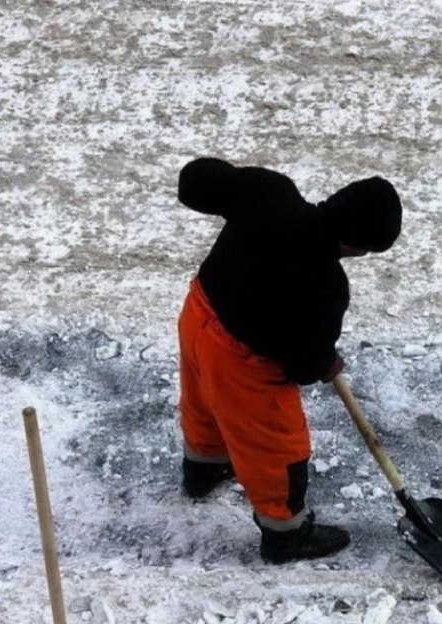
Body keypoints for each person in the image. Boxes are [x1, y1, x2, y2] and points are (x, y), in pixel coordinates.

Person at [175, 157, 402, 562]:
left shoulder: (271, 191)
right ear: (359, 244)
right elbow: (303, 363)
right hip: (242, 359)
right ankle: (286, 535)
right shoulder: (326, 286)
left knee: (204, 405)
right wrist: (325, 363)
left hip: (198, 315)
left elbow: (196, 184)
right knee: (277, 447)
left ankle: (204, 470)